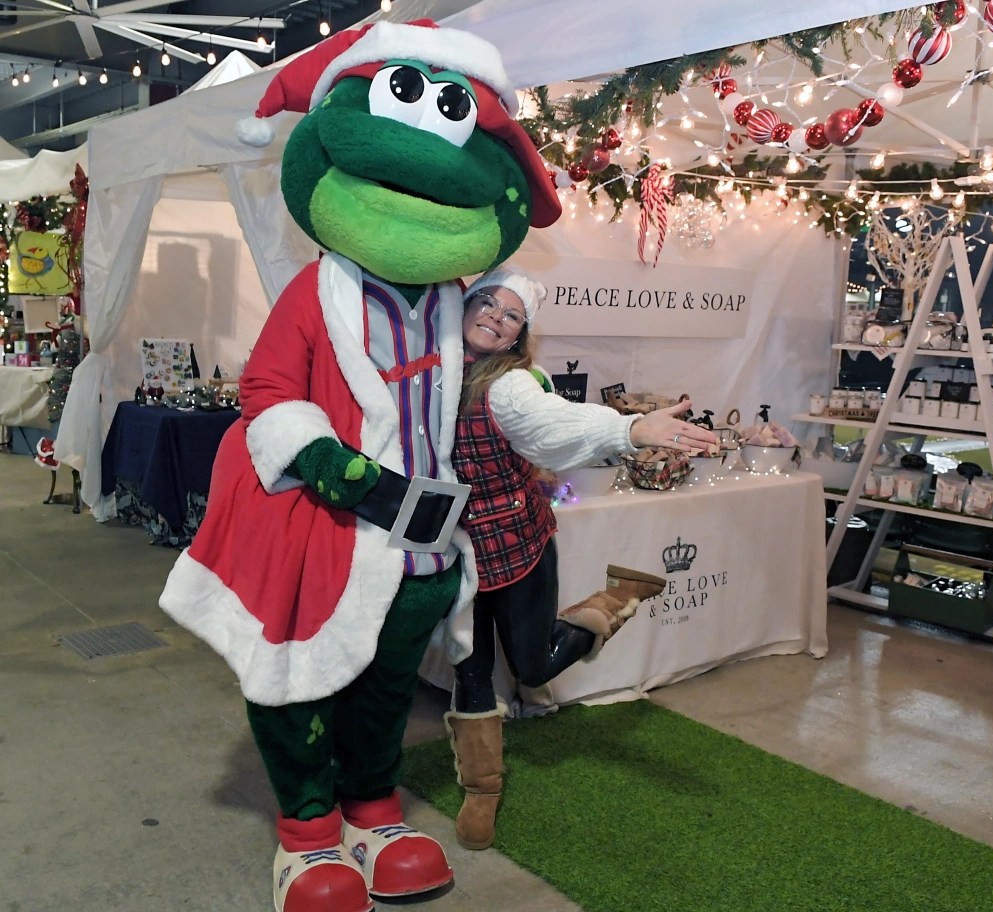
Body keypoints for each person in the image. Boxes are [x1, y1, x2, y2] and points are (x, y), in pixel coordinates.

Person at [158, 21, 562, 912]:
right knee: (301, 679)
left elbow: (504, 391)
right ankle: (307, 829)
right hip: (327, 530)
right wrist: (350, 478)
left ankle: (373, 807)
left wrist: (609, 431)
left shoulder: (460, 303)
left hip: (425, 543)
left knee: (384, 688)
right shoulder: (319, 290)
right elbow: (267, 393)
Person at [444, 265, 717, 851]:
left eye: (512, 315)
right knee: (469, 666)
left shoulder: (511, 384)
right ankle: (483, 790)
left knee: (533, 667)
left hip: (517, 540)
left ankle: (619, 596)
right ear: (465, 303)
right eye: (489, 303)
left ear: (520, 335)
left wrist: (633, 427)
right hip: (454, 547)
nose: (496, 316)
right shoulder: (428, 365)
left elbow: (554, 422)